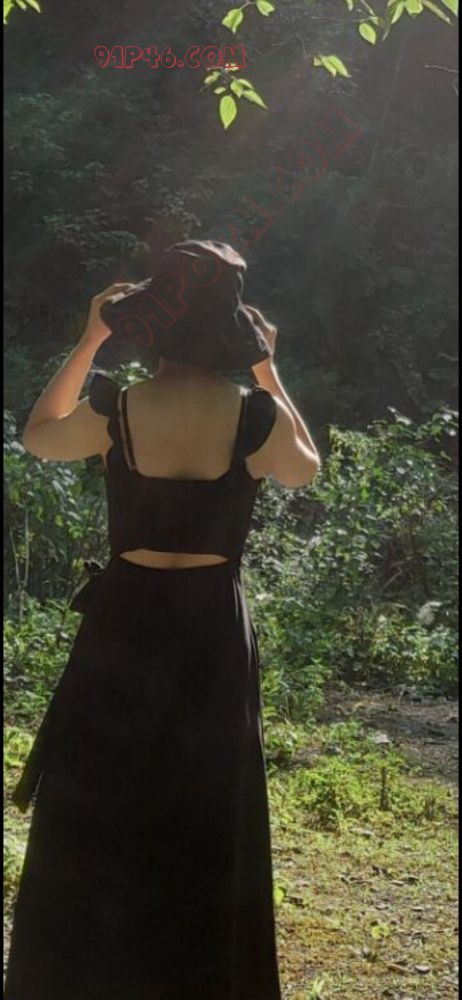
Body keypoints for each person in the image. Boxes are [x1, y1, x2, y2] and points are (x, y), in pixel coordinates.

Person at [5, 241, 321, 1000]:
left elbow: (38, 434)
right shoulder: (255, 415)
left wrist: (90, 339)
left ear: (155, 319)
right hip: (211, 627)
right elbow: (305, 467)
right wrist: (268, 369)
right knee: (207, 802)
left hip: (125, 622)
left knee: (97, 796)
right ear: (233, 326)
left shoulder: (117, 406)